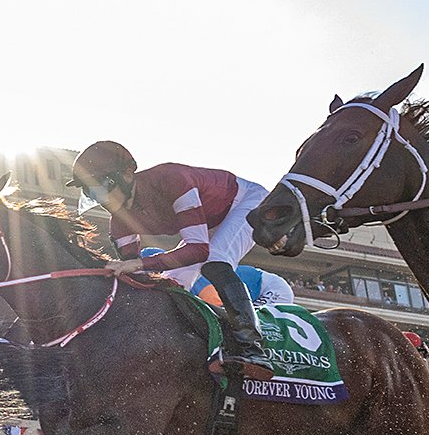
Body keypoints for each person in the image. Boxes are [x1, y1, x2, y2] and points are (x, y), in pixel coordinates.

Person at [67, 141, 274, 377]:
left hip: (244, 202)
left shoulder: (172, 180)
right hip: (206, 221)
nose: (100, 199)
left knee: (215, 262)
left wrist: (139, 263)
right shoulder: (119, 223)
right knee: (171, 283)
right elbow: (138, 278)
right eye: (90, 192)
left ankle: (252, 348)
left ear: (127, 174)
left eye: (102, 187)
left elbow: (198, 251)